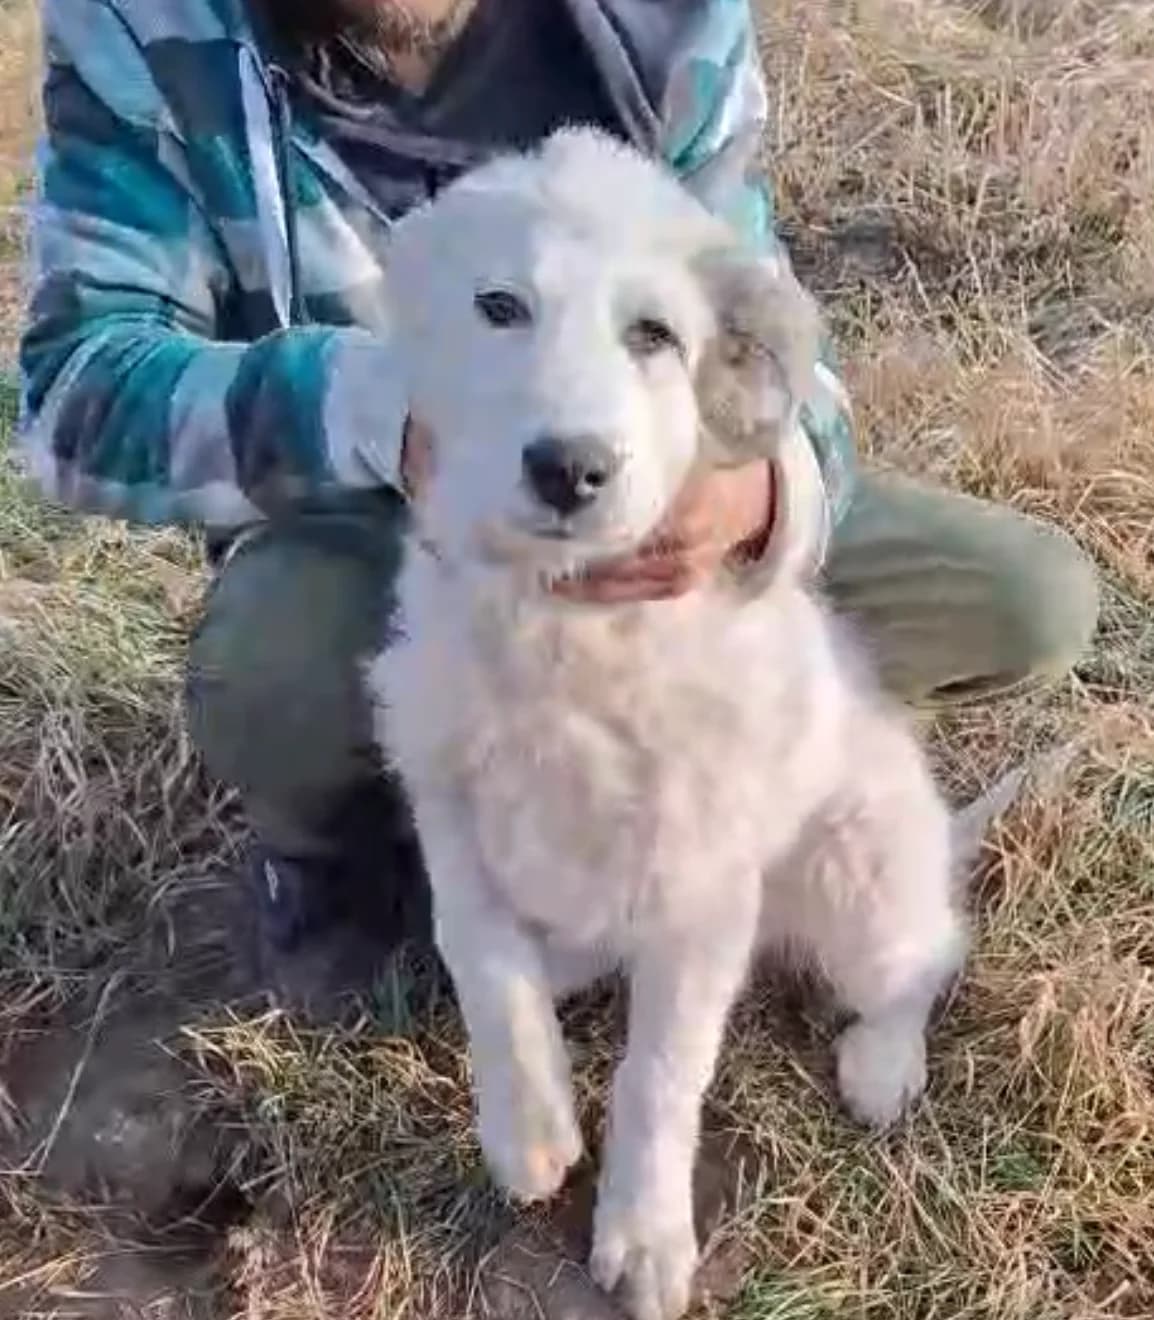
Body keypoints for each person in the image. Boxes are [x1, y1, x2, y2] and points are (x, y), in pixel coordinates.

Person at [21, 0, 1097, 1003]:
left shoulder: (666, 28)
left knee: (1022, 599)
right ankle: (340, 856)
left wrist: (761, 488)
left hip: (646, 508)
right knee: (274, 670)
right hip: (386, 536)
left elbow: (764, 335)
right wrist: (383, 409)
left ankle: (685, 792)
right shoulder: (145, 29)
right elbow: (80, 394)